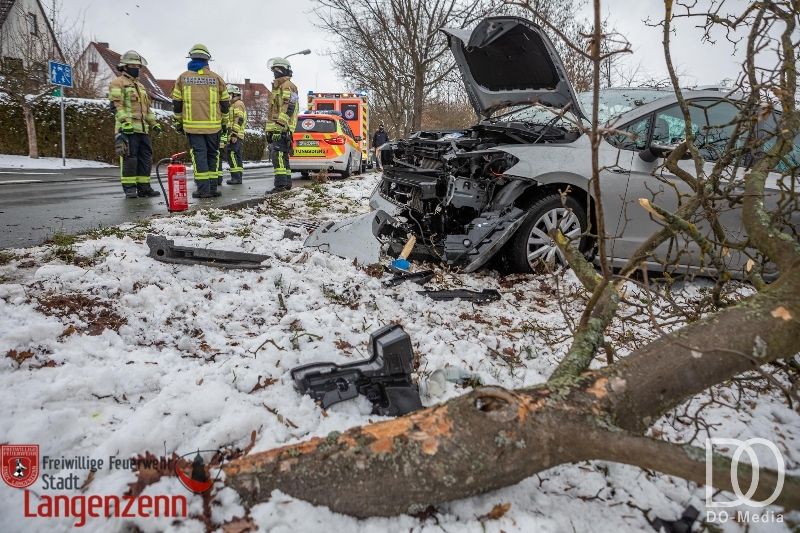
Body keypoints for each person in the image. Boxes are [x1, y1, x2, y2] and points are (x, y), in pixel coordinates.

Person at [171, 44, 230, 198]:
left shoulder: (182, 78)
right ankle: (212, 189)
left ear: (191, 58)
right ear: (207, 60)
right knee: (212, 156)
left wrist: (179, 122)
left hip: (192, 128)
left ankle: (203, 190)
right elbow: (225, 105)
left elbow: (177, 104)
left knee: (199, 157)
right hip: (214, 127)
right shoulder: (217, 79)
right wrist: (224, 124)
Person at [108, 50, 162, 198]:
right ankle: (130, 188)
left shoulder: (141, 86)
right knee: (130, 159)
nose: (137, 68)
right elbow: (116, 105)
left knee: (146, 158)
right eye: (134, 65)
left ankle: (144, 188)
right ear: (124, 67)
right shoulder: (117, 83)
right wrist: (124, 122)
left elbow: (147, 109)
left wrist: (154, 124)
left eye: (138, 66)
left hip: (143, 130)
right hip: (127, 130)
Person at [264, 57, 299, 194]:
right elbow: (273, 112)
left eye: (277, 69)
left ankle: (280, 185)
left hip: (282, 128)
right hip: (278, 128)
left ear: (285, 70)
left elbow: (289, 107)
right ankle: (286, 184)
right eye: (273, 69)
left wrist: (279, 126)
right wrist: (269, 131)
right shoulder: (278, 87)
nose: (275, 72)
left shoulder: (287, 86)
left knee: (278, 157)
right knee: (282, 156)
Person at [224, 84, 247, 184]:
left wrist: (234, 134)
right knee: (237, 155)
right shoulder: (235, 104)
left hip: (236, 134)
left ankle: (236, 177)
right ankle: (238, 177)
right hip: (238, 134)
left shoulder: (237, 104)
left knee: (232, 154)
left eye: (229, 94)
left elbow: (239, 119)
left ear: (233, 94)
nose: (227, 96)